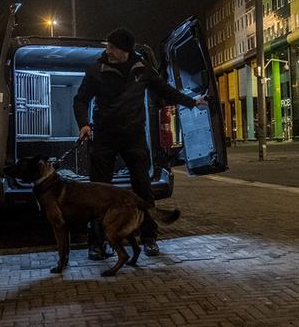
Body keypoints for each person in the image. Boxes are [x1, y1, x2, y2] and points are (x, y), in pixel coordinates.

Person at [73, 28, 206, 260]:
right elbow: (81, 99)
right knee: (99, 192)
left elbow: (164, 91)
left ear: (124, 51)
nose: (108, 50)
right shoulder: (97, 70)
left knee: (143, 189)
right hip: (104, 137)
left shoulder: (142, 69)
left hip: (133, 136)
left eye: (112, 47)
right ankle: (96, 243)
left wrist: (192, 102)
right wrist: (84, 124)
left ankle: (149, 238)